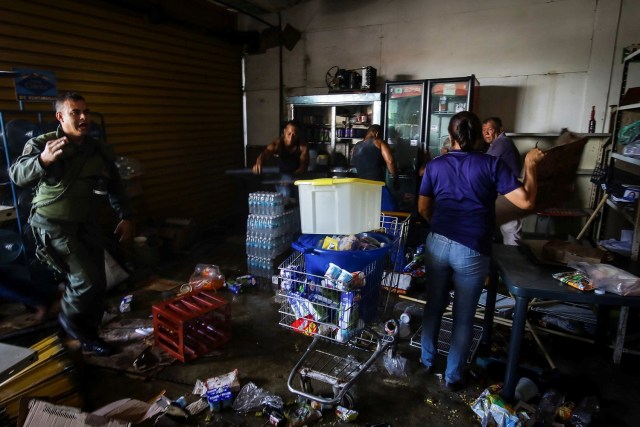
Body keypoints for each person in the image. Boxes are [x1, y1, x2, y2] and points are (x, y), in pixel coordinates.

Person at [417, 111, 544, 390]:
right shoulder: (492, 164)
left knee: (434, 305)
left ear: (450, 137)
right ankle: (452, 378)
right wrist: (530, 164)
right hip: (471, 249)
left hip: (437, 243)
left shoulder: (436, 165)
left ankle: (426, 362)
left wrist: (442, 226)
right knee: (463, 316)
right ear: (479, 138)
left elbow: (423, 208)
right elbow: (526, 203)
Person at [9, 92, 134, 356]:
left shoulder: (98, 151)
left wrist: (125, 215)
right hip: (53, 225)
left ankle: (88, 331)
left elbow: (115, 186)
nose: (83, 117)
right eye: (75, 112)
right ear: (60, 116)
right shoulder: (44, 144)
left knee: (99, 282)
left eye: (85, 112)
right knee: (85, 280)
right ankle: (71, 323)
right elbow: (17, 174)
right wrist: (42, 161)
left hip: (86, 224)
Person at [483, 117, 522, 245]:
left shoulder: (502, 142)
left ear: (500, 130)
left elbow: (485, 164)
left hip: (509, 192)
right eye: (484, 130)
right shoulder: (496, 144)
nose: (486, 133)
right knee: (506, 227)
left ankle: (514, 259)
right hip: (505, 191)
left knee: (510, 228)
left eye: (490, 129)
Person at [252, 120, 309, 200]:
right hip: (281, 177)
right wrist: (259, 163)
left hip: (296, 177)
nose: (291, 137)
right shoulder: (278, 144)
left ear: (298, 135)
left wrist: (291, 177)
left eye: (294, 135)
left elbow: (303, 167)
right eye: (289, 134)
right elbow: (266, 153)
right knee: (286, 195)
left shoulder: (303, 146)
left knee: (298, 200)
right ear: (284, 131)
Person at [350, 124, 398, 211]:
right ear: (377, 133)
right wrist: (395, 177)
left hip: (361, 186)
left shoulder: (355, 147)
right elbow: (390, 161)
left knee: (367, 211)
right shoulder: (379, 142)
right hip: (377, 185)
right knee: (389, 211)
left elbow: (357, 161)